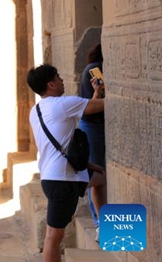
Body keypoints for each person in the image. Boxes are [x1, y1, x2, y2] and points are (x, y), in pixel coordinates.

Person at [27, 64, 106, 262]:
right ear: (51, 84)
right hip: (62, 181)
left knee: (100, 179)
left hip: (54, 175)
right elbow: (103, 105)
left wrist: (96, 93)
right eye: (59, 77)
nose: (62, 80)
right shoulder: (63, 104)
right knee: (53, 237)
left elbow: (56, 143)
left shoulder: (35, 110)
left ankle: (103, 227)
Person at [78, 44, 106, 232]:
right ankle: (98, 222)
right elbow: (96, 103)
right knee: (96, 175)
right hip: (92, 126)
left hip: (98, 125)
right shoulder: (94, 69)